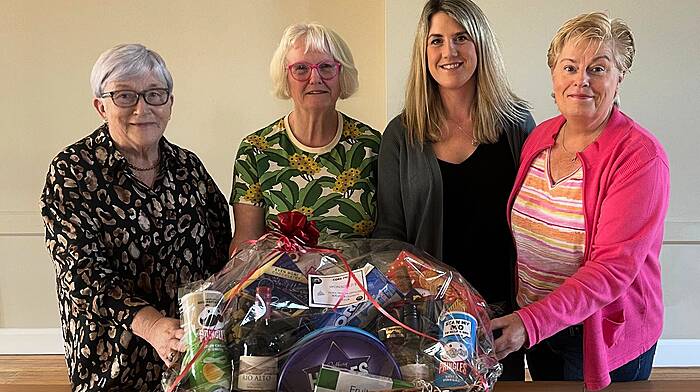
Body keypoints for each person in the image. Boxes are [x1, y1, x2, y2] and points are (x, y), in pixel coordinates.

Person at [491, 12, 669, 391]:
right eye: (569, 67)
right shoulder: (540, 137)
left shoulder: (640, 157)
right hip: (539, 323)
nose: (580, 80)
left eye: (598, 68)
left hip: (600, 333)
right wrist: (531, 319)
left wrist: (530, 323)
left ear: (620, 77)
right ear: (554, 76)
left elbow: (612, 269)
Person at [40, 44, 232, 391]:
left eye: (155, 95)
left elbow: (220, 251)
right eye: (125, 96)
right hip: (113, 354)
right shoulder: (72, 171)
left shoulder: (189, 168)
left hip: (187, 348)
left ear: (170, 103)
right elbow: (81, 274)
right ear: (101, 106)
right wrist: (152, 326)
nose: (142, 109)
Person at [372, 0, 534, 380]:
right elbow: (389, 234)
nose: (449, 52)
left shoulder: (516, 125)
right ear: (423, 51)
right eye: (437, 40)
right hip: (428, 319)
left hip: (502, 318)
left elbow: (536, 219)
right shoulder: (401, 135)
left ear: (481, 46)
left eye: (461, 38)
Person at [229, 23, 381, 251]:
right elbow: (244, 244)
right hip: (281, 284)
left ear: (342, 75)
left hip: (356, 283)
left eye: (326, 67)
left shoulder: (371, 146)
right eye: (301, 68)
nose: (315, 78)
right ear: (285, 77)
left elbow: (388, 239)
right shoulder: (255, 150)